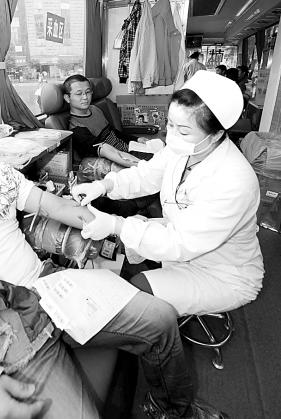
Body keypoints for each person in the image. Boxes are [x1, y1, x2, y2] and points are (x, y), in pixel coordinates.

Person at [0, 91, 226, 419]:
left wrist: (113, 226)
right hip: (6, 325)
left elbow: (53, 206)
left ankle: (171, 407)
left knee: (160, 318)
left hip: (48, 284)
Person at [72, 71, 264, 319]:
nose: (171, 136)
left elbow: (180, 242)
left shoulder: (234, 181)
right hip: (184, 241)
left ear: (216, 134)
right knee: (127, 252)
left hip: (221, 271)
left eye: (183, 131)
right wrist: (104, 185)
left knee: (135, 295)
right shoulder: (185, 149)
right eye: (170, 124)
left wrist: (115, 224)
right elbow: (146, 175)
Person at [64, 74, 147, 169]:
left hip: (129, 150)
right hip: (117, 163)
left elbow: (112, 132)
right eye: (79, 94)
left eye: (88, 92)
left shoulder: (94, 109)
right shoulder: (77, 128)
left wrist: (136, 139)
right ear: (67, 98)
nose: (85, 97)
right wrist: (143, 165)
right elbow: (109, 151)